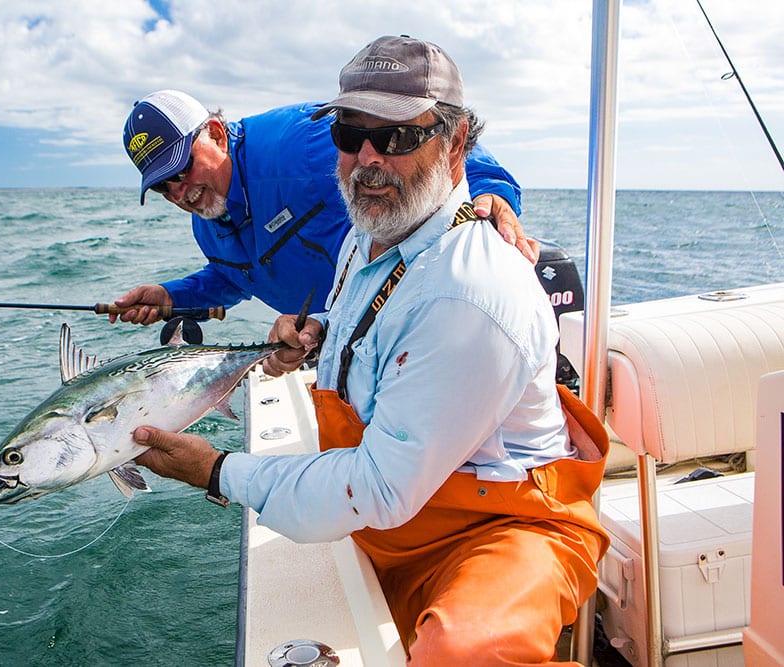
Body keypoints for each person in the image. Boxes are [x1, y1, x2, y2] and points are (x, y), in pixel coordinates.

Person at [130, 35, 610, 665]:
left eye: (398, 138)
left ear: (457, 144)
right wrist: (320, 332)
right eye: (350, 136)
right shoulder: (370, 234)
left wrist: (213, 470)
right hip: (401, 511)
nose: (366, 159)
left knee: (464, 652)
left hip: (503, 524)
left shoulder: (468, 291)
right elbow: (342, 307)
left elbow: (379, 487)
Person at [113, 84, 539, 326]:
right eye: (163, 186)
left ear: (216, 134)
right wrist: (173, 295)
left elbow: (428, 145)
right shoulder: (206, 221)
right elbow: (239, 278)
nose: (179, 191)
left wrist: (492, 192)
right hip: (328, 336)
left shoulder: (297, 144)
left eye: (183, 168)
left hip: (410, 322)